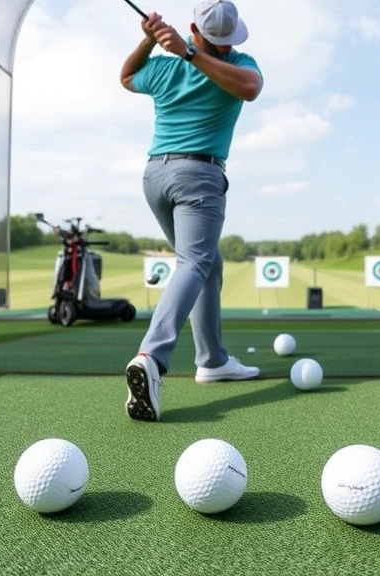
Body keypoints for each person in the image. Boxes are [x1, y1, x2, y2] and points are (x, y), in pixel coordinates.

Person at [119, 0, 263, 422]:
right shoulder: (225, 62)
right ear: (200, 33)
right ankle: (152, 356)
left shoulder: (191, 62)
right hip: (197, 177)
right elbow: (127, 75)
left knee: (207, 264)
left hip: (156, 177)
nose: (222, 49)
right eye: (217, 43)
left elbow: (250, 88)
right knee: (196, 262)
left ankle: (213, 360)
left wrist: (181, 51)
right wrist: (148, 39)